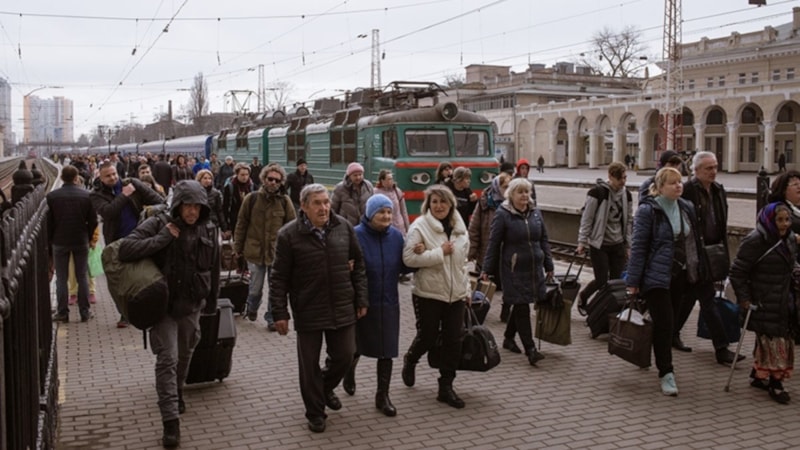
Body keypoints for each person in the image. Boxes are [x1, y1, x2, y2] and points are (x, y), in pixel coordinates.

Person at [117, 180, 220, 447]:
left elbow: (214, 268)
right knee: (168, 359)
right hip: (162, 307)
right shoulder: (158, 222)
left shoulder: (208, 228)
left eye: (197, 207)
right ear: (178, 205)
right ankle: (170, 422)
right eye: (187, 206)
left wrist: (213, 301)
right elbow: (126, 249)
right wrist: (163, 238)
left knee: (184, 355)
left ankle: (176, 391)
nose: (192, 212)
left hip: (191, 305)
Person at [269, 183, 368, 433]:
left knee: (346, 355)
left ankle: (323, 389)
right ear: (304, 206)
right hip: (308, 308)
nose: (324, 208)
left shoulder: (343, 227)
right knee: (308, 364)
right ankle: (315, 412)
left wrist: (362, 299)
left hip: (342, 304)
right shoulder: (289, 235)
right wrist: (279, 313)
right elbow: (279, 277)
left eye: (326, 202)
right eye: (317, 203)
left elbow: (360, 267)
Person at [626, 167, 705, 396]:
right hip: (656, 277)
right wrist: (633, 281)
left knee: (667, 322)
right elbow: (639, 247)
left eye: (680, 182)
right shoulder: (648, 211)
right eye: (672, 183)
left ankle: (650, 352)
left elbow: (694, 242)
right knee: (666, 324)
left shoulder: (685, 207)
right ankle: (666, 373)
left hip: (680, 275)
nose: (678, 186)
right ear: (660, 187)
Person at [401, 184, 471, 409]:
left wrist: (467, 289)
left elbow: (463, 263)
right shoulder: (419, 227)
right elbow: (409, 259)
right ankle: (411, 359)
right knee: (428, 336)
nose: (439, 206)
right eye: (434, 202)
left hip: (456, 294)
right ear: (428, 205)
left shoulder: (460, 227)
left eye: (443, 202)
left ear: (451, 204)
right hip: (428, 293)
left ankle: (446, 387)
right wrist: (440, 252)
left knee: (454, 340)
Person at [673, 151, 742, 364]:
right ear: (696, 171)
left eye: (715, 167)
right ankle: (721, 348)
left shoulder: (719, 190)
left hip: (713, 252)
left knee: (689, 297)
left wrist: (723, 256)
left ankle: (670, 333)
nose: (714, 172)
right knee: (707, 299)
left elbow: (721, 223)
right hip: (694, 255)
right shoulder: (687, 192)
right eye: (708, 168)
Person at [729, 202, 796, 404]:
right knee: (776, 341)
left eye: (787, 219)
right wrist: (744, 298)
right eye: (779, 220)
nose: (784, 224)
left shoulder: (790, 239)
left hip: (786, 298)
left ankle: (759, 375)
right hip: (764, 299)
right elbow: (738, 272)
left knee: (774, 339)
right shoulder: (756, 240)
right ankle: (776, 384)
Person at [350, 194, 410, 417]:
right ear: (369, 214)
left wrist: (420, 257)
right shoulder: (356, 235)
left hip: (388, 302)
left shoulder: (396, 236)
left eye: (388, 212)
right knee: (355, 346)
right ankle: (349, 371)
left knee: (387, 350)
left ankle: (382, 395)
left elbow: (404, 267)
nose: (386, 216)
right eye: (381, 212)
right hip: (363, 301)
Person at [481, 178, 552, 365]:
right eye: (520, 192)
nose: (525, 196)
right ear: (511, 195)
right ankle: (530, 349)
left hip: (534, 267)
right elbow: (493, 244)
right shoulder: (503, 214)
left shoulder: (536, 213)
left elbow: (544, 239)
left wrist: (549, 265)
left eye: (527, 192)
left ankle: (508, 337)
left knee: (522, 303)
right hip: (513, 268)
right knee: (522, 306)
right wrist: (486, 269)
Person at [90, 161, 165, 328]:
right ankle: (125, 314)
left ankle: (154, 311)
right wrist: (124, 195)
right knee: (122, 281)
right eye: (108, 176)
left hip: (140, 236)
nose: (113, 178)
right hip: (118, 242)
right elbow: (108, 213)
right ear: (100, 178)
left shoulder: (133, 183)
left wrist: (149, 215)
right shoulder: (96, 195)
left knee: (149, 275)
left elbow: (160, 201)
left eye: (114, 174)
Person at [234, 163, 296, 330]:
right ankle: (252, 307)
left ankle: (271, 318)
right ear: (263, 179)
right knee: (255, 287)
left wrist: (294, 251)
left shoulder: (285, 201)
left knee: (275, 289)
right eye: (270, 179)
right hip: (254, 251)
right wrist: (237, 248)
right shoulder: (251, 199)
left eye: (277, 180)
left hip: (276, 253)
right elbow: (241, 224)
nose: (273, 183)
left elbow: (292, 227)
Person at [576, 161, 632, 303]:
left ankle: (604, 311)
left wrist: (628, 245)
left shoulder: (627, 195)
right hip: (599, 244)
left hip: (618, 243)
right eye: (620, 178)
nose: (623, 182)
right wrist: (582, 241)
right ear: (610, 176)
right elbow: (587, 219)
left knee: (615, 282)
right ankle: (584, 297)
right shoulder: (597, 193)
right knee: (601, 280)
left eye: (625, 177)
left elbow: (629, 221)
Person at [49, 165, 98, 323]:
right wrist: (89, 237)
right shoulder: (86, 196)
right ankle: (85, 312)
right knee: (82, 275)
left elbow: (49, 223)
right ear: (76, 177)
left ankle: (62, 312)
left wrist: (50, 241)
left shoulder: (52, 197)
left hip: (59, 240)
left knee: (61, 278)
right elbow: (93, 221)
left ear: (62, 178)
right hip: (80, 240)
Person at [469, 172, 511, 321]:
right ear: (496, 186)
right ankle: (477, 308)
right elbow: (474, 227)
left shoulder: (512, 204)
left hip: (507, 252)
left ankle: (506, 311)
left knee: (508, 283)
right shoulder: (485, 202)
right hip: (487, 250)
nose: (507, 190)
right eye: (504, 187)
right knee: (483, 282)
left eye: (509, 187)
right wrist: (472, 250)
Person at [331, 162, 374, 226]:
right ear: (349, 176)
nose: (358, 177)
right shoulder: (340, 189)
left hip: (365, 225)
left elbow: (373, 205)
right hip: (346, 226)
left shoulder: (368, 186)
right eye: (355, 175)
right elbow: (333, 209)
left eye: (360, 174)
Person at [767, 170, 800, 246]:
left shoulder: (796, 208)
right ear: (784, 190)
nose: (799, 187)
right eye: (795, 184)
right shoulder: (779, 209)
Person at [374, 169, 410, 236]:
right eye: (389, 179)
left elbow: (404, 211)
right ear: (382, 181)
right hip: (385, 227)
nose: (391, 181)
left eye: (391, 179)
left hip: (399, 227)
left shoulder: (397, 191)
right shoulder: (375, 192)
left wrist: (408, 228)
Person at [196, 169, 229, 237]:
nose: (207, 180)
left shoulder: (215, 193)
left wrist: (224, 228)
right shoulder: (195, 192)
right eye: (205, 178)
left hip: (213, 223)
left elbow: (219, 211)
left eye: (209, 178)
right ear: (200, 179)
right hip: (199, 223)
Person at [222, 163, 253, 234]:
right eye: (242, 175)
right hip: (235, 220)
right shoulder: (230, 187)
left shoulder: (251, 186)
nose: (245, 177)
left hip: (250, 220)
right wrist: (226, 226)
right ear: (237, 174)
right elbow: (225, 206)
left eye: (247, 174)